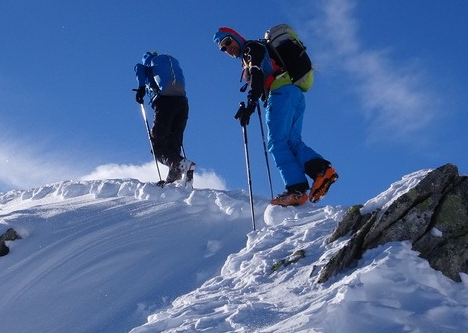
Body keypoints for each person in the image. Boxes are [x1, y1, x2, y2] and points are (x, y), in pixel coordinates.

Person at [214, 27, 337, 206]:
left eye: (227, 42)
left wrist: (251, 103)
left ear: (236, 37)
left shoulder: (250, 49)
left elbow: (256, 74)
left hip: (279, 94)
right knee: (292, 142)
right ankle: (322, 171)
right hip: (293, 93)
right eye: (222, 49)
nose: (227, 48)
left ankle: (296, 190)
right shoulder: (257, 48)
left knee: (277, 143)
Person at [134, 52, 194, 183]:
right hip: (182, 103)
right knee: (174, 145)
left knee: (158, 147)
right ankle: (174, 179)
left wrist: (141, 89)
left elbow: (139, 69)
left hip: (165, 102)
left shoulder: (148, 64)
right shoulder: (170, 64)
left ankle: (183, 165)